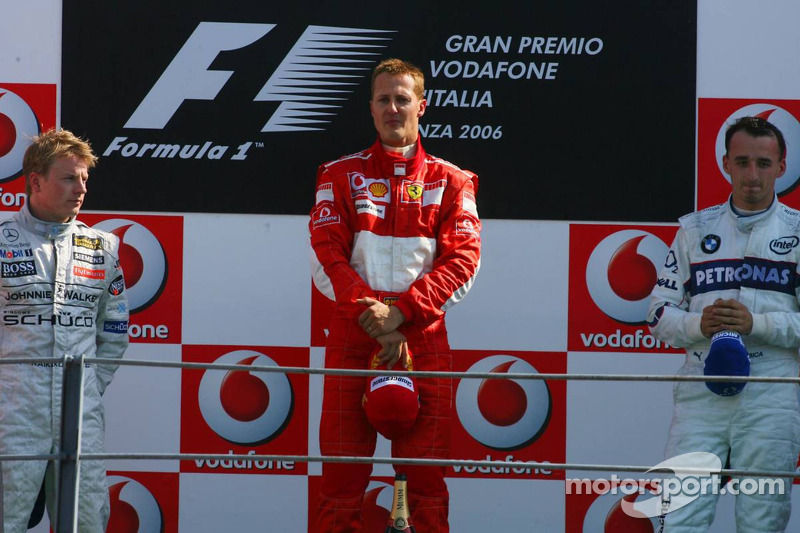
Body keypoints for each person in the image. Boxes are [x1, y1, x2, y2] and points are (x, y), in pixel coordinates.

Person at [309, 58, 481, 532]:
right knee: (341, 481)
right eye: (383, 99)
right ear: (370, 107)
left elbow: (464, 261)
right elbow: (327, 253)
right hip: (353, 332)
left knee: (425, 481)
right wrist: (377, 316)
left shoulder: (453, 180)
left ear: (421, 106)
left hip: (422, 335)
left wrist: (401, 314)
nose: (392, 107)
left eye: (402, 98)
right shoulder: (338, 174)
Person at [648, 116, 800, 531]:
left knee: (762, 521)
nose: (753, 176)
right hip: (702, 391)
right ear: (725, 163)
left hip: (772, 394)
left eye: (764, 164)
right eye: (743, 162)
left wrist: (758, 323)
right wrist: (700, 324)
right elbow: (658, 313)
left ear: (782, 167)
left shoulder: (798, 232)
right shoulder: (693, 230)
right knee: (680, 517)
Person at [0, 129, 129, 532]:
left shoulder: (103, 246)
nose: (81, 189)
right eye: (70, 178)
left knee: (87, 523)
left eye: (85, 179)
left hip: (80, 415)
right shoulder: (2, 242)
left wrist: (87, 384)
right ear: (36, 181)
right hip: (12, 414)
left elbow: (114, 330)